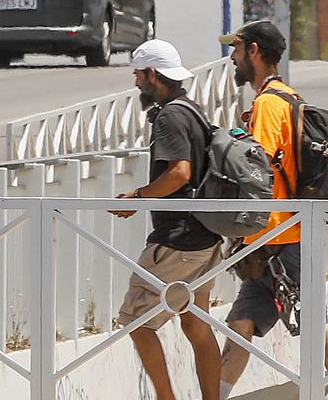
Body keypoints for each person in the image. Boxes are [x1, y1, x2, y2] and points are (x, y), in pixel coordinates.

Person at [217, 20, 328, 400]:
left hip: (283, 236)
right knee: (241, 322)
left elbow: (257, 165)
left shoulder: (268, 103)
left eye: (237, 48)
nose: (232, 57)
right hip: (272, 236)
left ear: (254, 52)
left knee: (315, 323)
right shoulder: (287, 97)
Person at [111, 39, 224, 400]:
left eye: (138, 75)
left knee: (137, 321)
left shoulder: (170, 116)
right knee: (196, 323)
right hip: (206, 238)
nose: (136, 83)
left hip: (178, 239)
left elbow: (179, 173)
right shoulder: (192, 111)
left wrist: (137, 197)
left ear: (153, 75)